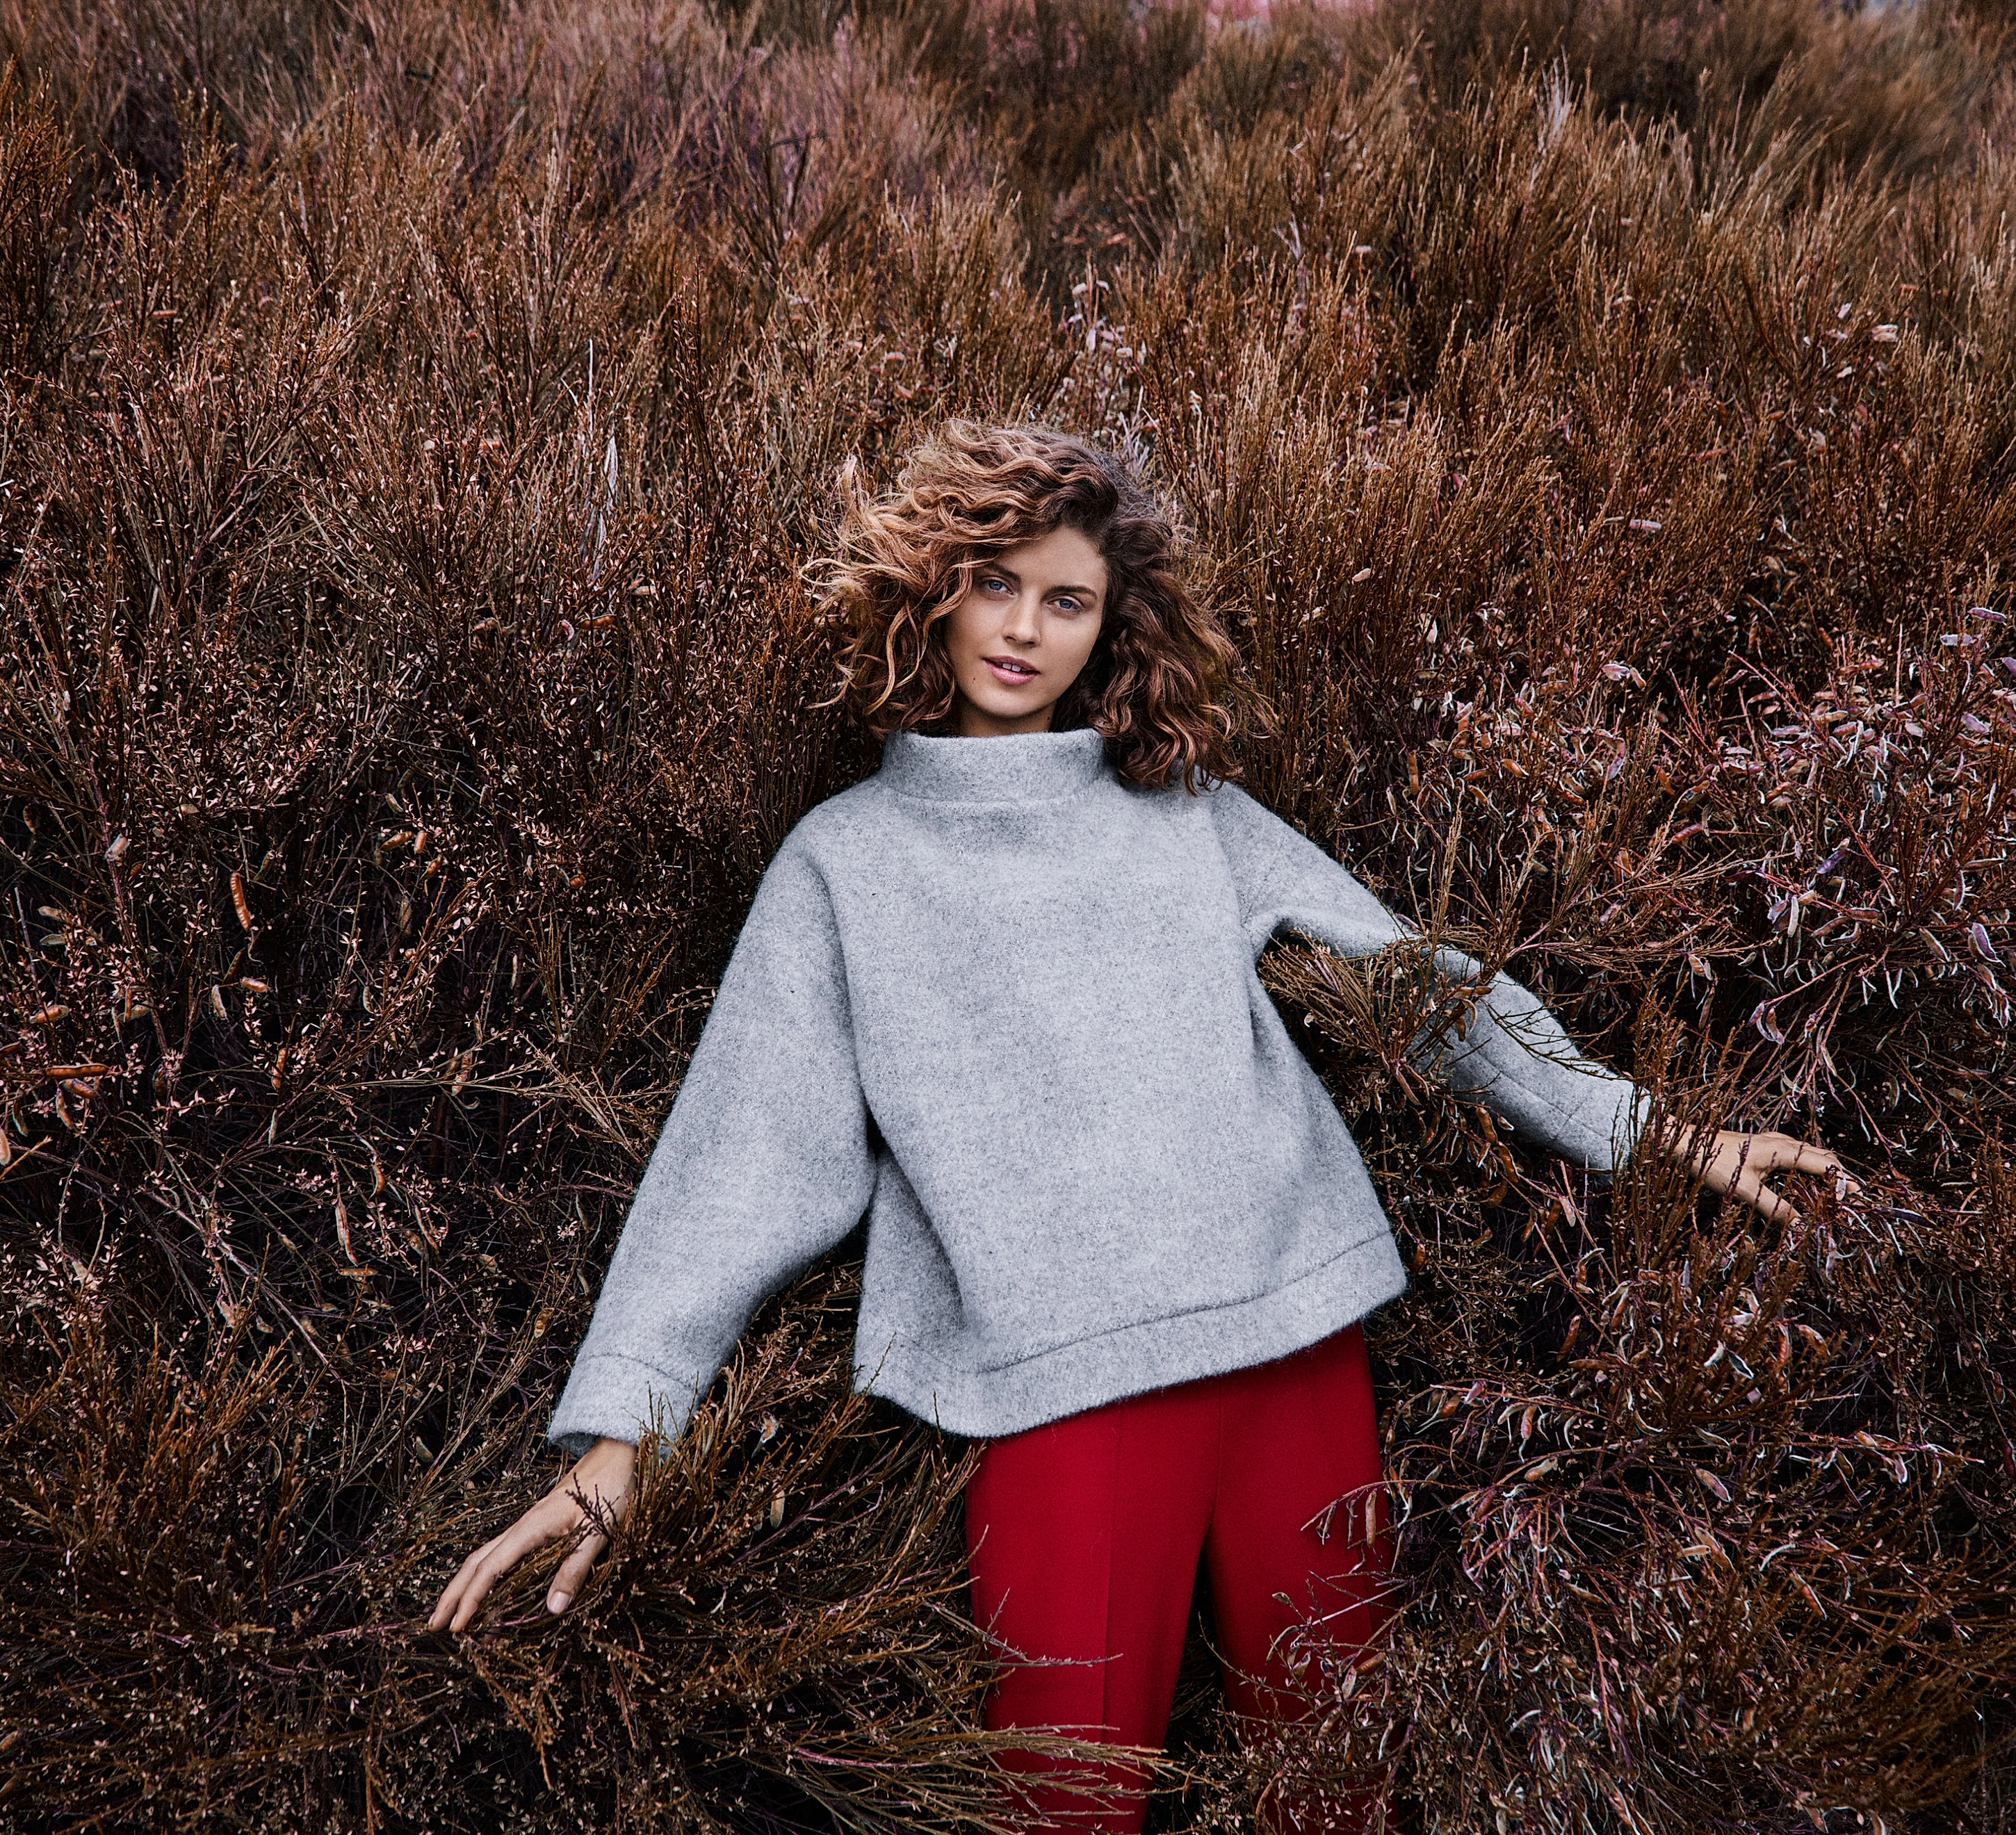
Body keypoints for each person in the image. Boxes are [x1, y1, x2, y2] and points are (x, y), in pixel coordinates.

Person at [430, 422, 1842, 1830]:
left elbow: (1422, 989)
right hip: (1061, 1394)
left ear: (1112, 626)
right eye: (996, 584)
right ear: (935, 591)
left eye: (1067, 600)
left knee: (1339, 1793)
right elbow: (749, 1155)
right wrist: (624, 1433)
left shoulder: (1188, 814)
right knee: (1065, 1805)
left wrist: (1658, 1134)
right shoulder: (845, 863)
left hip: (1294, 1346)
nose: (1022, 630)